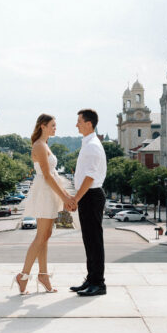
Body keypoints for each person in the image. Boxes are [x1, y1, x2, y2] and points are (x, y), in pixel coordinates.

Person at [13, 113, 75, 295]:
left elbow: (52, 176)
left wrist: (65, 196)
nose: (56, 128)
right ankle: (24, 275)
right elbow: (47, 176)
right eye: (53, 125)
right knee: (41, 236)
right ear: (43, 126)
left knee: (45, 235)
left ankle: (43, 274)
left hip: (50, 191)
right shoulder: (39, 146)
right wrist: (65, 198)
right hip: (45, 192)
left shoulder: (45, 145)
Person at [68, 108, 108, 296]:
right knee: (89, 240)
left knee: (94, 241)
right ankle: (91, 279)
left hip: (91, 196)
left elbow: (90, 176)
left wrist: (76, 198)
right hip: (88, 196)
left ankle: (98, 283)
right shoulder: (89, 143)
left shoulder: (92, 145)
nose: (76, 124)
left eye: (79, 121)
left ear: (89, 123)